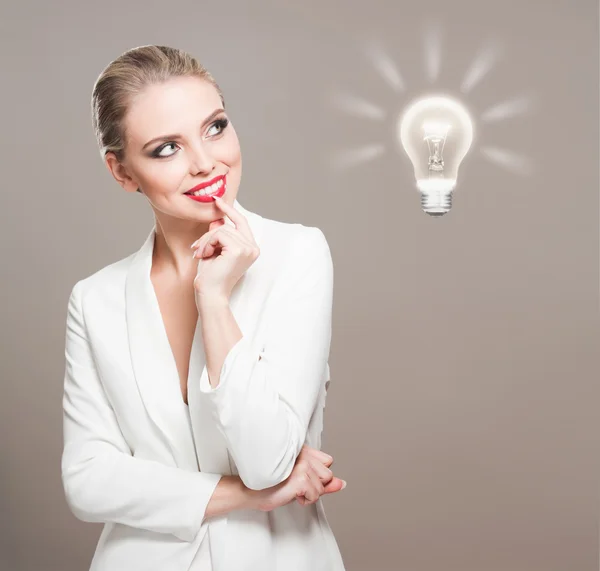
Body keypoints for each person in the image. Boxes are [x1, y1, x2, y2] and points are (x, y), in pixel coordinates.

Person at [61, 45, 347, 571]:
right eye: (166, 148)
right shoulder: (95, 298)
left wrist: (213, 301)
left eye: (214, 127)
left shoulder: (298, 254)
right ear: (123, 173)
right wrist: (245, 497)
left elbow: (268, 461)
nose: (205, 162)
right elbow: (87, 480)